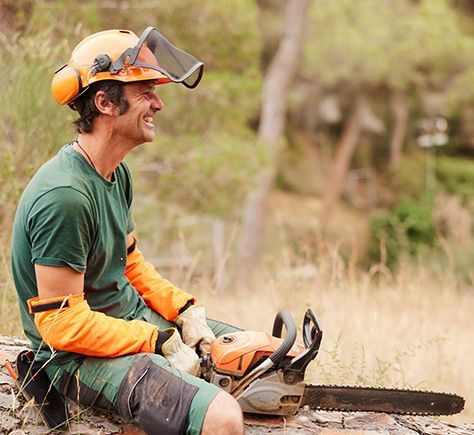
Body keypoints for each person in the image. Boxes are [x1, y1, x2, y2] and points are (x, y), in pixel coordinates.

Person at [11, 27, 244, 435]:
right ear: (104, 102)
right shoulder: (64, 196)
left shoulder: (115, 174)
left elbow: (129, 261)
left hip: (126, 319)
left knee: (259, 353)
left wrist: (183, 311)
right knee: (224, 419)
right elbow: (61, 326)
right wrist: (155, 340)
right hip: (75, 358)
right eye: (145, 92)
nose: (159, 103)